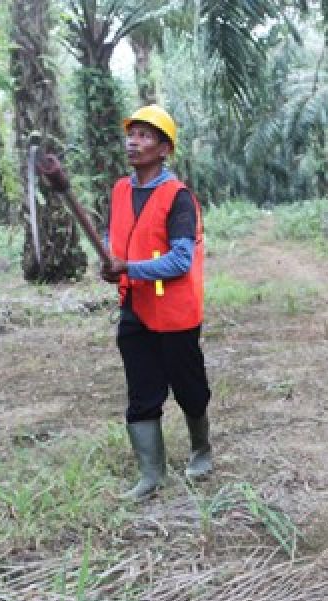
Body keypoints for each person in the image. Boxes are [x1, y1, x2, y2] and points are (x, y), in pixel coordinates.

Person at [101, 104, 212, 500]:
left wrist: (126, 265)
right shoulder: (119, 190)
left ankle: (201, 447)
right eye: (132, 134)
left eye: (146, 135)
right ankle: (151, 474)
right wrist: (109, 262)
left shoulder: (178, 197)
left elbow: (181, 260)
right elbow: (114, 238)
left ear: (164, 148)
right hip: (135, 307)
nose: (134, 141)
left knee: (188, 387)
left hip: (175, 313)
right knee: (142, 390)